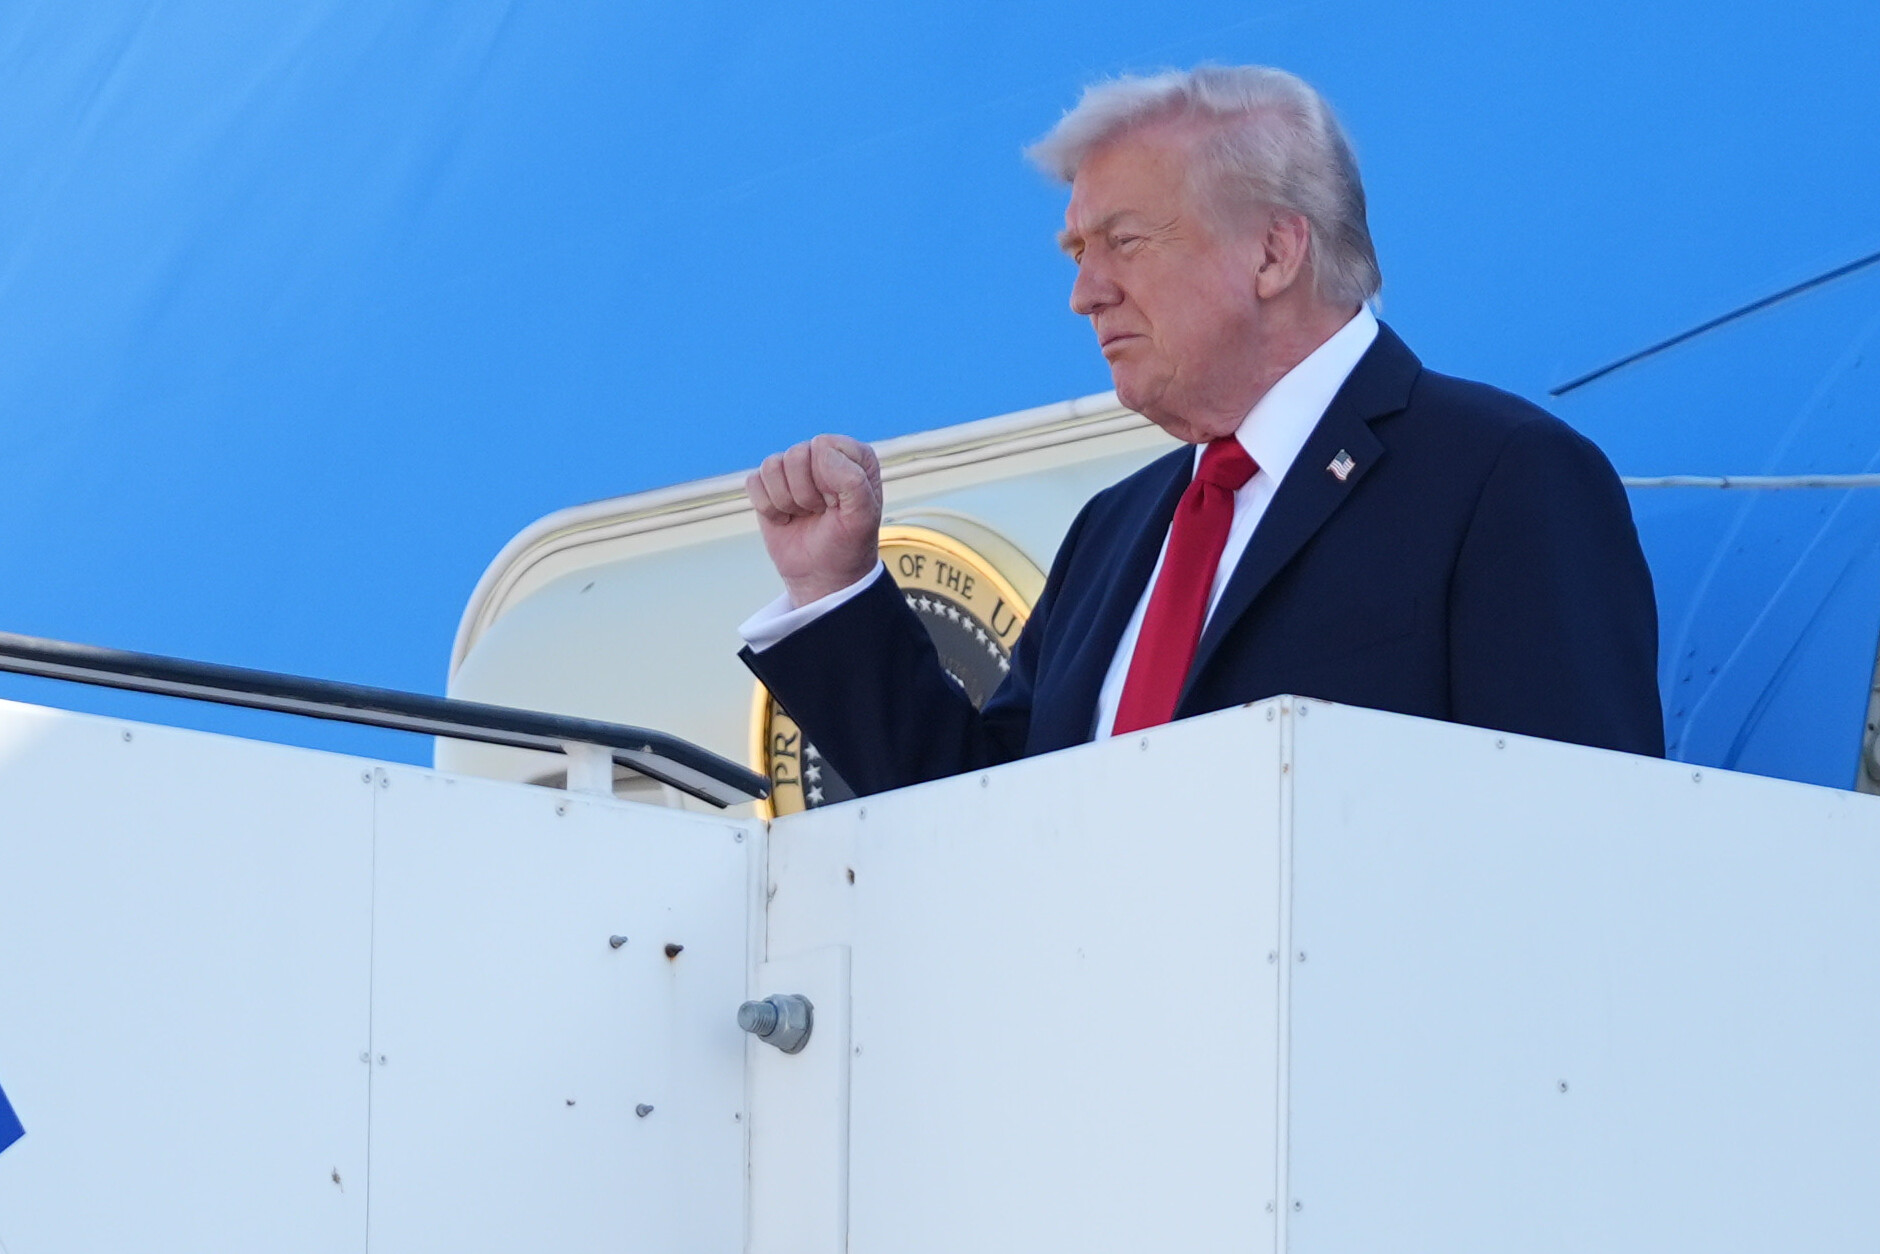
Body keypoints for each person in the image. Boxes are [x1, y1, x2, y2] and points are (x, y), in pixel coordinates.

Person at [738, 65, 1664, 798]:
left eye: (1124, 242)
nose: (1084, 292)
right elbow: (979, 819)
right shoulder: (1115, 530)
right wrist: (835, 589)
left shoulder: (1501, 477)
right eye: (1076, 252)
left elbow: (1576, 837)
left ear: (1273, 250)